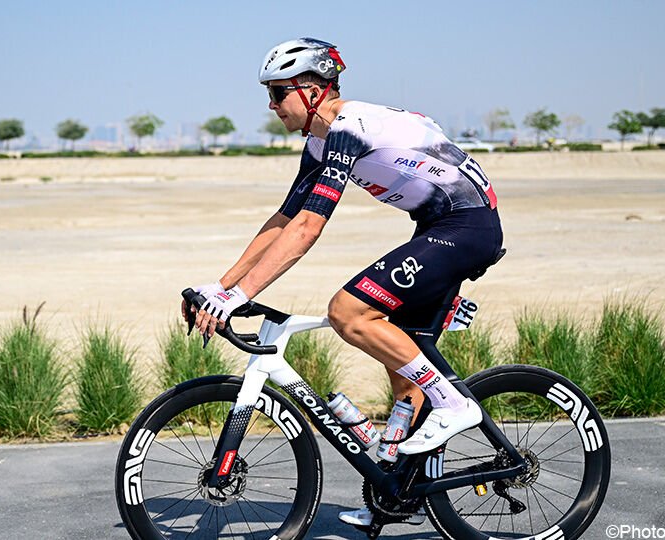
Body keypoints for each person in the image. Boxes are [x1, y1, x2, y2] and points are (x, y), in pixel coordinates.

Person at [184, 37, 503, 528]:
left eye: (278, 93)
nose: (271, 106)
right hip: (438, 227)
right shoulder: (319, 141)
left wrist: (240, 297)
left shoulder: (349, 128)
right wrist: (221, 286)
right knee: (401, 350)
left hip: (467, 226)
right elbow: (285, 217)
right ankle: (396, 493)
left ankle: (454, 404)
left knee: (348, 311)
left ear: (312, 90)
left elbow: (309, 229)